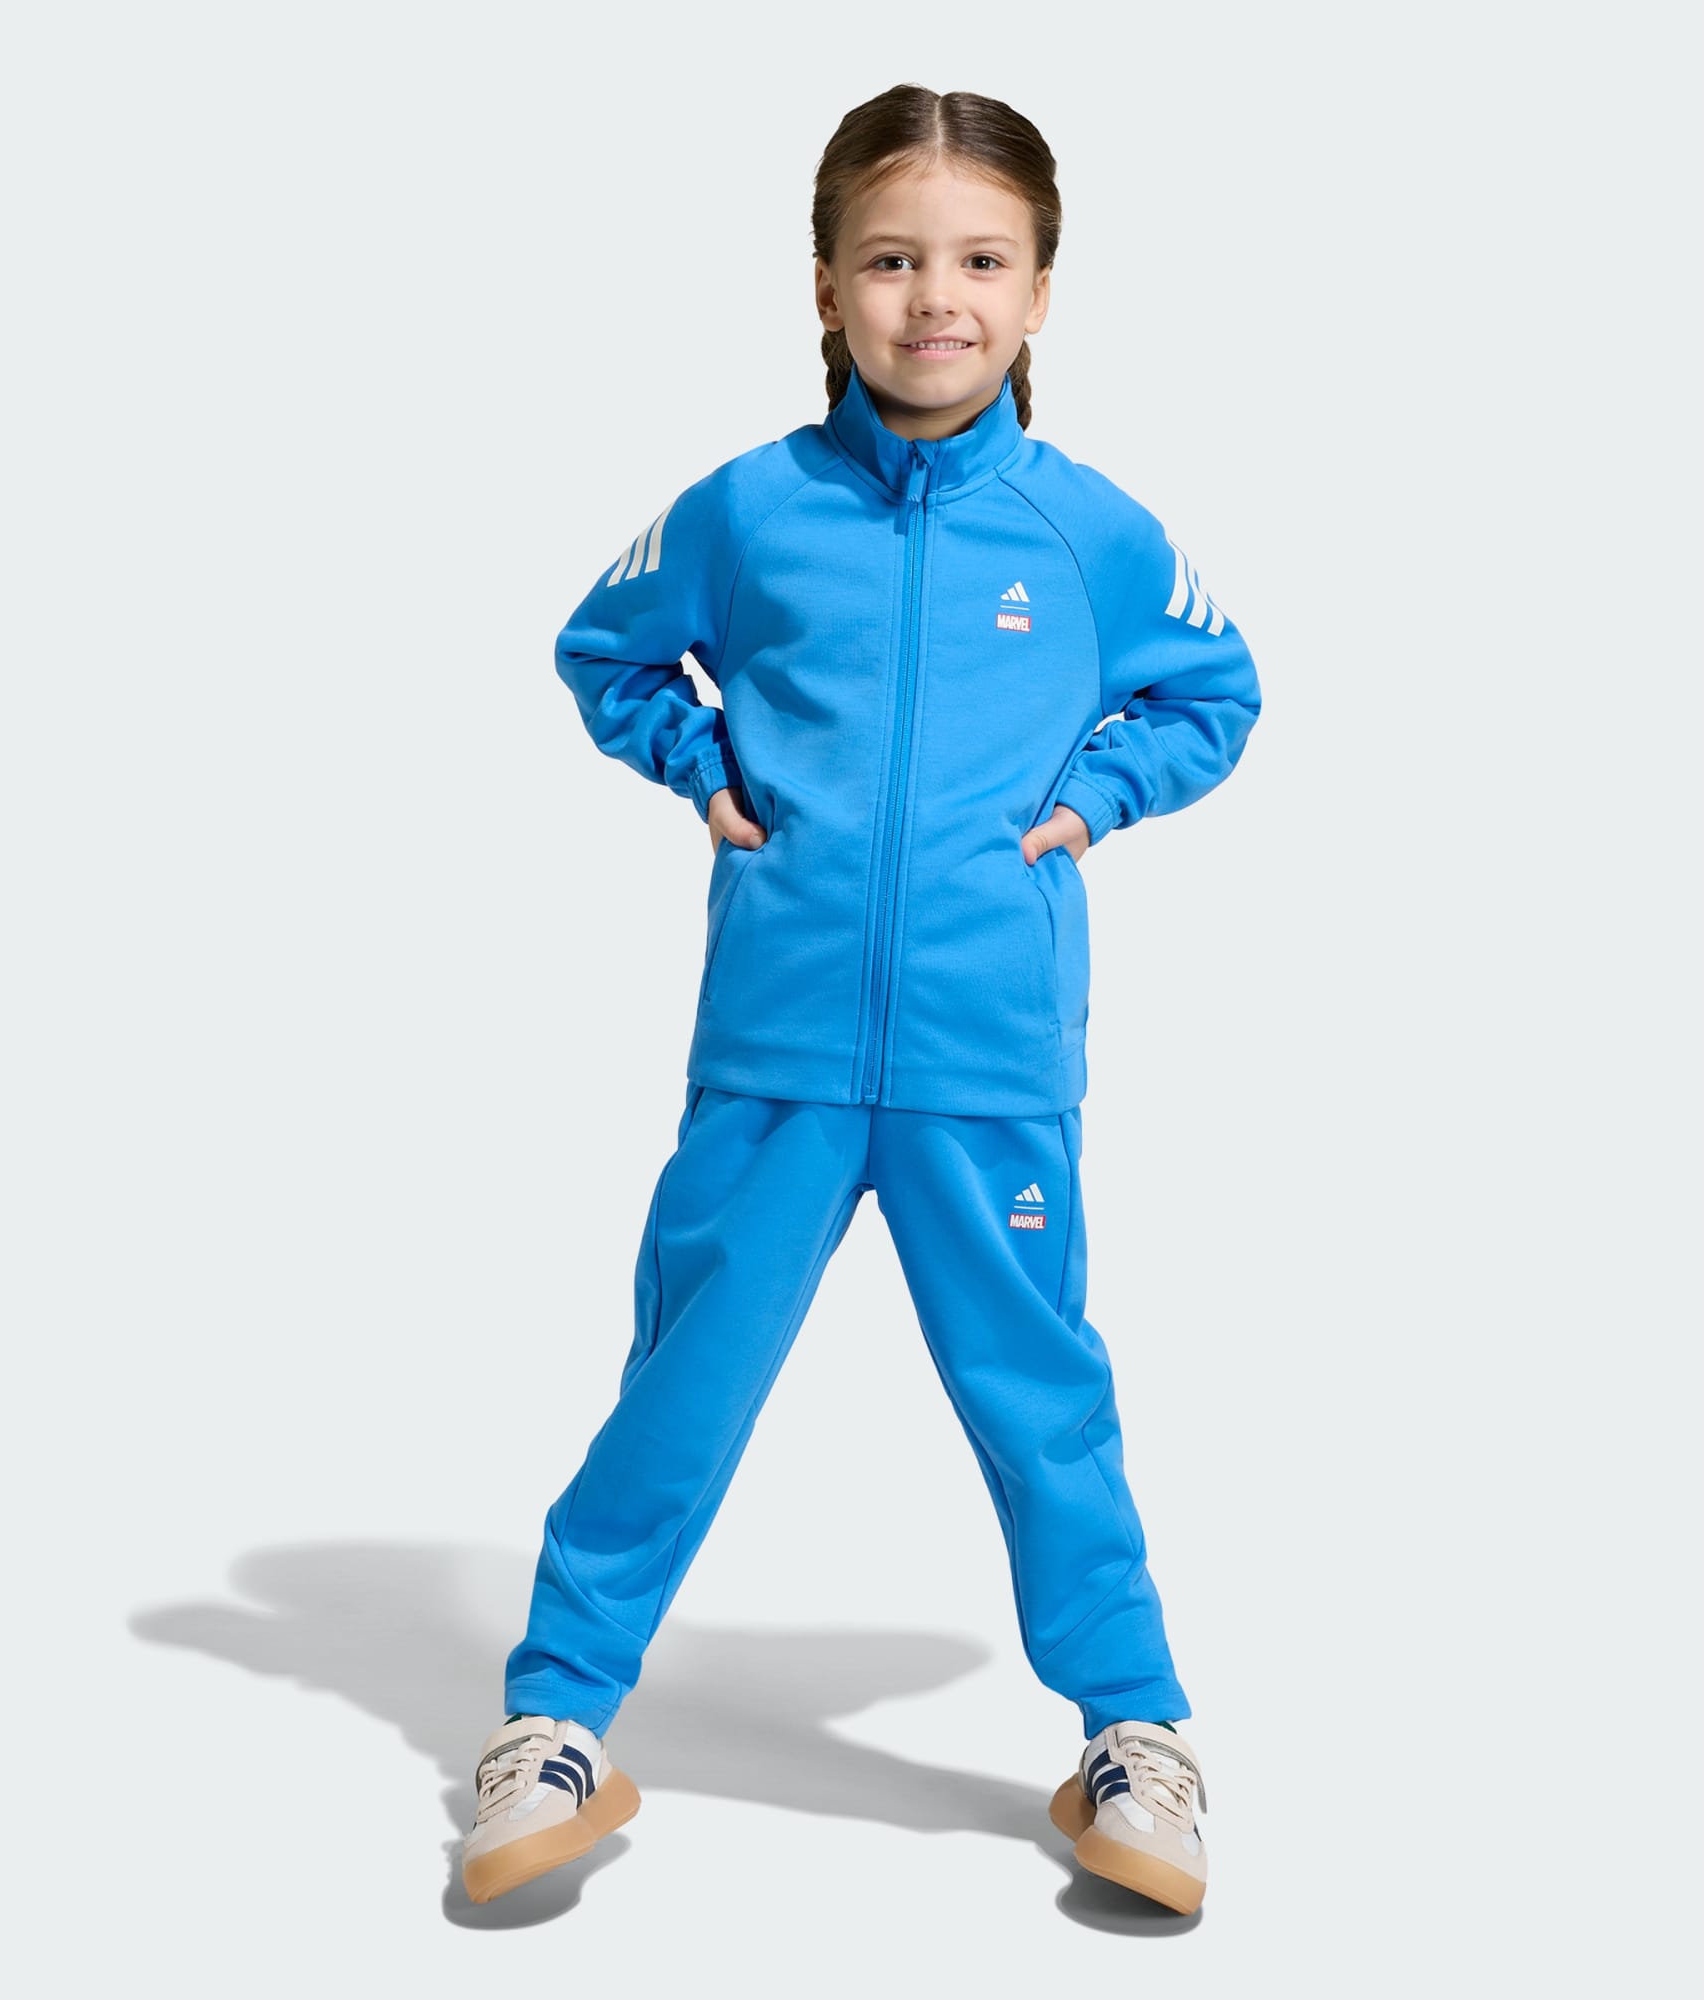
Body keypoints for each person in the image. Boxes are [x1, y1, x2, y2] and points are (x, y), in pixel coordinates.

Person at [461, 83, 1259, 1919]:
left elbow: (1217, 693)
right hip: (779, 1050)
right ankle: (557, 1718)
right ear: (826, 286)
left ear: (1042, 290)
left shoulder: (1091, 534)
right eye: (892, 261)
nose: (936, 299)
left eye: (980, 261)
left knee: (1041, 1400)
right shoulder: (748, 510)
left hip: (992, 1056)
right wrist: (706, 771)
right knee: (686, 1382)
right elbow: (604, 650)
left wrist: (1088, 805)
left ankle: (1135, 1737)